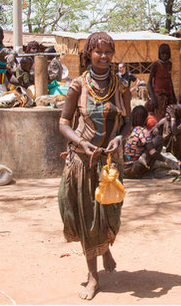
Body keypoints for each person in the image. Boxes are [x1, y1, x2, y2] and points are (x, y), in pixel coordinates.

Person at [57, 32, 132, 300]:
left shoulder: (121, 86)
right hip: (83, 160)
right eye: (98, 51)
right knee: (89, 219)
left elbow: (128, 121)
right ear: (89, 53)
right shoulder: (77, 86)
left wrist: (121, 137)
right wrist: (81, 142)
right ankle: (93, 276)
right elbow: (64, 123)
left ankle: (105, 246)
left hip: (110, 162)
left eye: (108, 52)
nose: (103, 56)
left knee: (111, 213)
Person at [122, 105, 178, 178]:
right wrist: (168, 161)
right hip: (136, 169)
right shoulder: (142, 131)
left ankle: (143, 160)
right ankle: (147, 169)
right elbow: (153, 153)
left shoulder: (129, 131)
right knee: (158, 139)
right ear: (145, 119)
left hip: (126, 169)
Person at [148, 43, 176, 119]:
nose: (165, 56)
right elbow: (149, 82)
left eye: (167, 54)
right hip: (159, 96)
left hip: (169, 95)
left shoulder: (169, 64)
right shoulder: (155, 65)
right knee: (160, 118)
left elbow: (169, 80)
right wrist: (153, 98)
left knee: (170, 116)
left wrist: (174, 96)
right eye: (162, 54)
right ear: (159, 54)